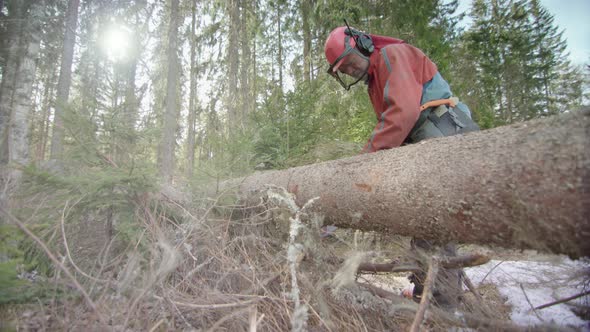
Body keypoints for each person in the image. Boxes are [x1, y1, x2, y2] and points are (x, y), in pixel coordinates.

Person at [324, 25, 480, 308]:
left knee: (435, 216)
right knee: (424, 214)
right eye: (344, 70)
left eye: (350, 62)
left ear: (362, 44)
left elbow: (402, 113)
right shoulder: (374, 79)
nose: (350, 71)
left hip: (442, 130)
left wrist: (365, 161)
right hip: (424, 139)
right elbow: (394, 122)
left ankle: (442, 303)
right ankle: (427, 290)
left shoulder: (391, 55)